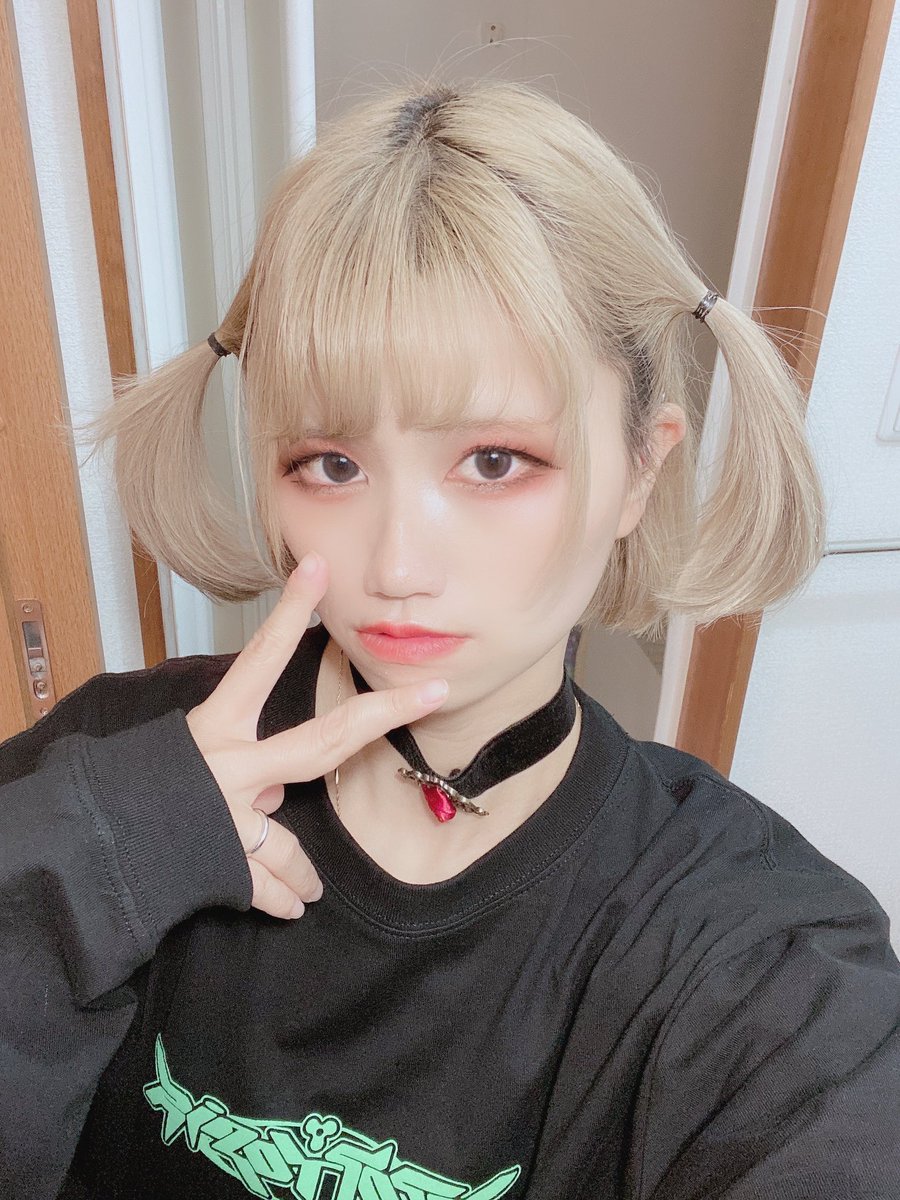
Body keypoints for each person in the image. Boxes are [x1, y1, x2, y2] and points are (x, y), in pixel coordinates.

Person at [1, 76, 898, 1200]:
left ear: (642, 467)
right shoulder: (100, 765)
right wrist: (103, 858)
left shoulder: (753, 952)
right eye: (331, 464)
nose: (396, 565)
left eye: (494, 461)